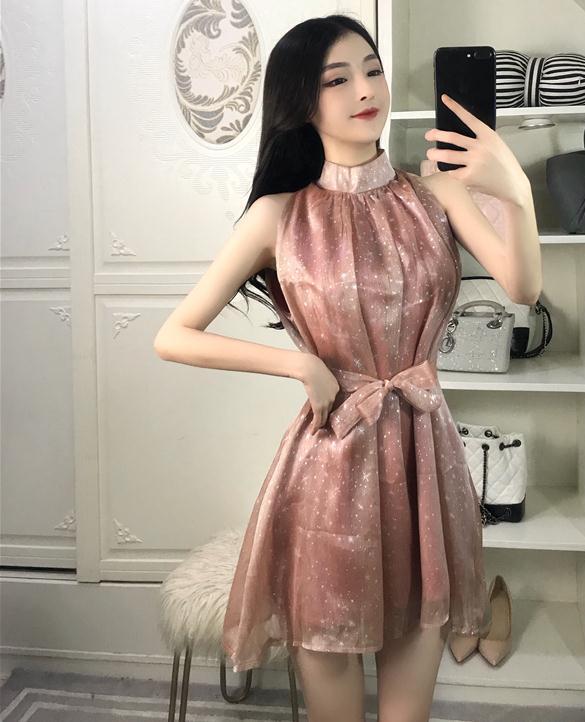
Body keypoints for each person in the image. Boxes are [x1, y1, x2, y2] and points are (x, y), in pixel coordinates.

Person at [154, 13, 542, 722]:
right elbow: (174, 335)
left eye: (373, 69)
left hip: (427, 458)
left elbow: (521, 287)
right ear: (303, 101)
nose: (366, 89)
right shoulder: (280, 216)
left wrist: (515, 190)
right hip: (331, 469)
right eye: (338, 79)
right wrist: (298, 364)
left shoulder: (436, 193)